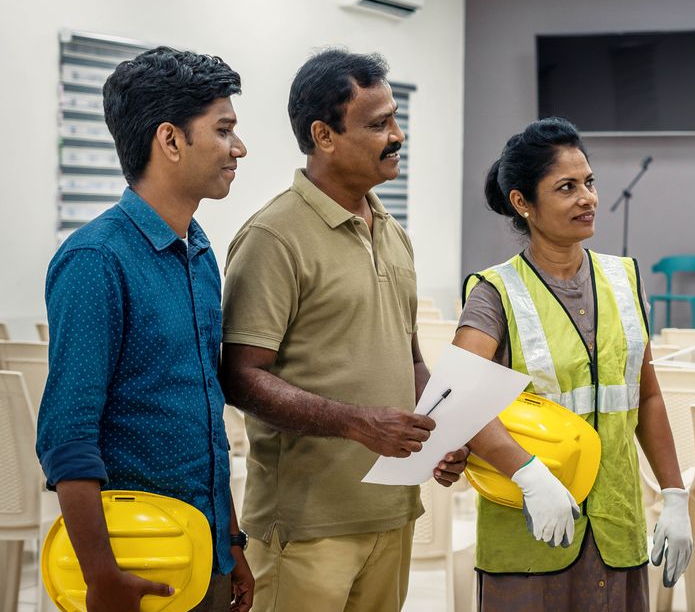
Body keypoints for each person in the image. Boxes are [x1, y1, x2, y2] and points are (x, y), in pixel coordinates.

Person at [219, 49, 466, 612]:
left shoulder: (392, 233)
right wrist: (356, 424)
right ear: (323, 137)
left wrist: (441, 435)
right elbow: (240, 378)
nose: (397, 136)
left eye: (395, 119)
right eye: (379, 124)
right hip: (305, 527)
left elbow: (410, 362)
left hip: (391, 512)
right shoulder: (273, 238)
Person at [37, 46, 253, 612]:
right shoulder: (96, 261)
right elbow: (67, 435)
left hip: (204, 553)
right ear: (171, 140)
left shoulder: (199, 252)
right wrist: (100, 574)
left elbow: (205, 416)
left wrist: (230, 542)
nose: (239, 148)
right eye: (224, 129)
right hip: (135, 564)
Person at [453, 117, 693, 611]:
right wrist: (528, 475)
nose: (587, 198)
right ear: (523, 203)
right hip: (530, 530)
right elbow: (457, 398)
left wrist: (673, 495)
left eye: (589, 182)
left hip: (616, 528)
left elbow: (645, 394)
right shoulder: (495, 293)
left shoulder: (624, 279)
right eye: (567, 187)